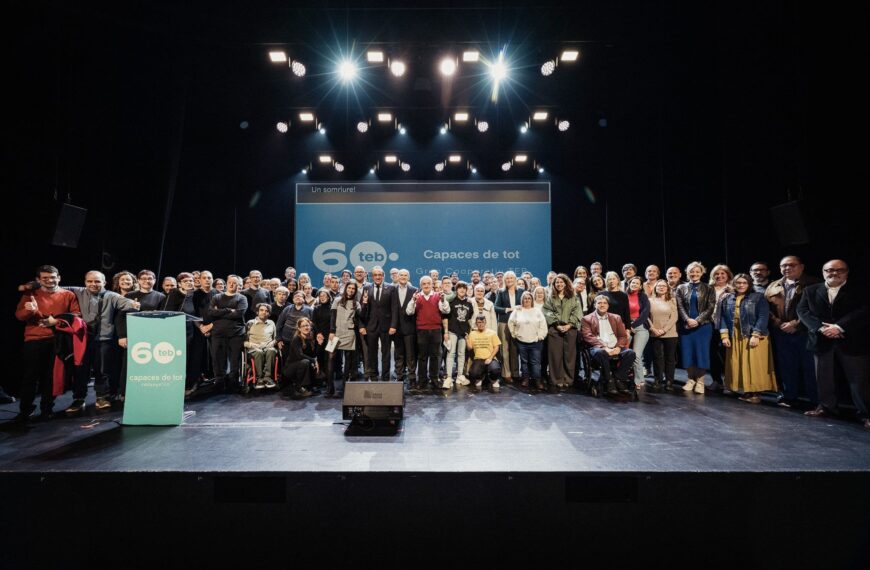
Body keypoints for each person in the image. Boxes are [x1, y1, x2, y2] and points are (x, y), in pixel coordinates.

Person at [798, 260, 870, 428]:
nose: (834, 273)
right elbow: (802, 311)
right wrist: (820, 329)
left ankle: (866, 413)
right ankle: (826, 408)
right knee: (824, 379)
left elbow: (865, 310)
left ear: (847, 272)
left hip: (853, 341)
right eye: (829, 270)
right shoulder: (810, 290)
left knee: (859, 381)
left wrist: (839, 327)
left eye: (839, 270)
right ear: (823, 272)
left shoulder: (859, 289)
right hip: (821, 340)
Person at [62, 271, 139, 413]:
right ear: (85, 282)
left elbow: (128, 304)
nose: (93, 284)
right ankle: (78, 399)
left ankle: (102, 397)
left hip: (103, 339)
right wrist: (34, 285)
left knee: (102, 370)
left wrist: (133, 304)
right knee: (80, 370)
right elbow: (56, 287)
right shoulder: (78, 291)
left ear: (104, 283)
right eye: (90, 281)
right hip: (82, 339)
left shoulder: (111, 296)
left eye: (97, 281)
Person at [13, 265, 81, 422]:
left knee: (51, 377)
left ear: (59, 278)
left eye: (52, 277)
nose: (49, 280)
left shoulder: (68, 295)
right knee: (31, 376)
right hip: (34, 339)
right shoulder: (31, 294)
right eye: (45, 278)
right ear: (38, 280)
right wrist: (29, 310)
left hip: (57, 340)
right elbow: (19, 316)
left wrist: (56, 321)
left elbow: (76, 315)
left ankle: (47, 408)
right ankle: (25, 410)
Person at [764, 256, 820, 408]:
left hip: (806, 332)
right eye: (784, 266)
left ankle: (817, 401)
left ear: (801, 267)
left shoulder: (813, 283)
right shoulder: (773, 285)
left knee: (810, 367)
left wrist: (796, 324)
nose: (787, 268)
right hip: (781, 333)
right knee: (787, 365)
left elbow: (817, 309)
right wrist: (779, 323)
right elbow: (767, 310)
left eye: (791, 265)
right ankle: (789, 396)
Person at [719, 274, 777, 403]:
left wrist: (756, 334)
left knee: (755, 365)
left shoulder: (758, 297)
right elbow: (722, 317)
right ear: (734, 284)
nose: (741, 285)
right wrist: (724, 336)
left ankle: (756, 393)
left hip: (753, 335)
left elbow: (763, 316)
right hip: (735, 335)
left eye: (744, 283)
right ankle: (747, 390)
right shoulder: (728, 298)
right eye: (738, 283)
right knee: (738, 363)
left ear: (749, 284)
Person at [581, 295, 636, 396]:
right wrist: (604, 347)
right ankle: (609, 380)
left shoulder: (616, 317)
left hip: (615, 346)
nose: (602, 305)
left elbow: (622, 336)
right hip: (598, 347)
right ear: (594, 305)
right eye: (599, 303)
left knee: (630, 353)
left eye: (604, 303)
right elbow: (588, 337)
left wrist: (618, 347)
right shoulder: (586, 319)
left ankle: (618, 378)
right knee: (601, 353)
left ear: (608, 305)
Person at [675, 262, 717, 394]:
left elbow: (711, 307)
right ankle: (690, 379)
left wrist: (697, 321)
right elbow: (679, 305)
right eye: (691, 272)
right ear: (687, 273)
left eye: (697, 272)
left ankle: (700, 381)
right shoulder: (681, 288)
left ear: (702, 272)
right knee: (687, 353)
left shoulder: (709, 288)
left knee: (701, 353)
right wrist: (687, 319)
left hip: (703, 326)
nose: (694, 274)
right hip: (685, 325)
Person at [206, 275, 248, 393]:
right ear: (226, 283)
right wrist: (228, 310)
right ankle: (219, 382)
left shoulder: (242, 298)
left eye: (234, 283)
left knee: (235, 359)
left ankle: (233, 383)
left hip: (236, 333)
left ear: (238, 285)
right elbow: (211, 313)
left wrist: (219, 311)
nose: (231, 284)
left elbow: (239, 314)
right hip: (218, 333)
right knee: (218, 358)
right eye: (229, 282)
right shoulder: (217, 297)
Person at [405, 276, 448, 390]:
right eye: (424, 284)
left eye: (428, 283)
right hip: (422, 331)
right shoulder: (417, 297)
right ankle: (422, 380)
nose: (426, 285)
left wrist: (443, 300)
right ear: (421, 286)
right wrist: (413, 300)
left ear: (432, 284)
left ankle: (434, 379)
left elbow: (446, 310)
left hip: (436, 330)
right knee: (422, 357)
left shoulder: (438, 296)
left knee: (435, 356)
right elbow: (409, 311)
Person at [543, 273, 581, 392]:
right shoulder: (551, 298)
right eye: (556, 282)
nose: (559, 284)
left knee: (569, 355)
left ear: (566, 283)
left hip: (570, 329)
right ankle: (557, 380)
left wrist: (569, 324)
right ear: (553, 284)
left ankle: (568, 379)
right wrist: (557, 324)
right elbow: (547, 311)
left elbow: (577, 312)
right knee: (555, 356)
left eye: (561, 282)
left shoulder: (573, 297)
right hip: (555, 329)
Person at [359, 266, 397, 381]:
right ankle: (373, 375)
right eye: (375, 275)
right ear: (372, 276)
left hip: (386, 327)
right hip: (371, 326)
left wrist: (393, 325)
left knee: (386, 353)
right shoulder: (366, 288)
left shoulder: (391, 288)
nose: (377, 277)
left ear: (383, 276)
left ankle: (385, 377)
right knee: (372, 353)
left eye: (380, 275)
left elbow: (394, 308)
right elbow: (362, 309)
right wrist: (362, 325)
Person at [508, 291, 548, 390]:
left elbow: (543, 325)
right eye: (525, 298)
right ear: (522, 300)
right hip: (522, 341)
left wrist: (541, 336)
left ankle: (537, 380)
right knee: (524, 362)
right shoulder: (517, 310)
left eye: (529, 298)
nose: (527, 300)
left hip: (535, 342)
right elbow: (510, 322)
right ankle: (525, 378)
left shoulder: (537, 311)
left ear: (532, 300)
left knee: (535, 362)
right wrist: (514, 334)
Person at [327, 281, 361, 396]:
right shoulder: (337, 300)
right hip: (336, 332)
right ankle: (330, 387)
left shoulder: (357, 303)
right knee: (331, 358)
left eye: (353, 289)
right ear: (345, 288)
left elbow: (361, 318)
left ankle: (344, 387)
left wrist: (364, 304)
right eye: (349, 288)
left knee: (348, 361)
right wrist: (331, 331)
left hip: (349, 333)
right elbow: (332, 317)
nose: (351, 290)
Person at [441, 281, 474, 389]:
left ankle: (460, 375)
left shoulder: (469, 303)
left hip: (463, 333)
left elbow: (469, 319)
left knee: (461, 354)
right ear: (456, 289)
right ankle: (449, 377)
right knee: (451, 354)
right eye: (460, 288)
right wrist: (445, 332)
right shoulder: (451, 301)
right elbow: (445, 317)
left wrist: (468, 333)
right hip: (452, 331)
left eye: (464, 288)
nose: (462, 290)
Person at [647, 279, 678, 391]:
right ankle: (658, 379)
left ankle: (669, 381)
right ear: (655, 288)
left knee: (670, 358)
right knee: (657, 358)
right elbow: (646, 316)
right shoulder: (649, 300)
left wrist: (664, 330)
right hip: (655, 333)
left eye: (663, 286)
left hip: (670, 333)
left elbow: (674, 317)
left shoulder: (672, 300)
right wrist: (653, 329)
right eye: (659, 286)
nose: (661, 287)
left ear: (667, 288)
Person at [707, 264, 734, 391]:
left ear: (728, 275)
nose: (719, 276)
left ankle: (730, 381)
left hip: (727, 326)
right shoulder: (708, 288)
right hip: (710, 325)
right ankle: (716, 380)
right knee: (712, 353)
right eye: (717, 274)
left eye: (723, 273)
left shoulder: (733, 289)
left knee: (727, 354)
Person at [493, 271, 523, 383]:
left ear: (515, 279)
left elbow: (526, 305)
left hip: (517, 323)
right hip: (504, 323)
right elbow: (495, 308)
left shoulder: (521, 291)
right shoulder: (501, 292)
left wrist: (520, 307)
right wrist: (508, 309)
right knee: (504, 350)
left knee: (515, 349)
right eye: (507, 278)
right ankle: (506, 374)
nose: (509, 280)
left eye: (511, 278)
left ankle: (515, 373)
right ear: (504, 280)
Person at [392, 269, 418, 387]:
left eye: (405, 275)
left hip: (410, 328)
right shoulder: (392, 290)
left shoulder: (414, 290)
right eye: (401, 275)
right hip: (396, 328)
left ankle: (412, 377)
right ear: (397, 277)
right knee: (399, 353)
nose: (403, 277)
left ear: (408, 277)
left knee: (411, 354)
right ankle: (399, 376)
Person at [282, 317, 318, 399]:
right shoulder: (296, 339)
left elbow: (314, 353)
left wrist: (319, 345)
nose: (306, 327)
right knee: (305, 362)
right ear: (299, 328)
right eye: (303, 326)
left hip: (302, 365)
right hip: (291, 368)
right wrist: (313, 360)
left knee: (308, 363)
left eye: (307, 325)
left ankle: (306, 387)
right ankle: (299, 387)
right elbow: (300, 355)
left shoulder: (311, 338)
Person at [625, 276, 650, 389]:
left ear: (640, 286)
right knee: (624, 353)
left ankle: (639, 380)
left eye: (637, 283)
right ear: (629, 284)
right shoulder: (624, 296)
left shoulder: (643, 297)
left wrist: (633, 325)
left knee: (637, 355)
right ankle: (622, 376)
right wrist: (628, 326)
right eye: (632, 282)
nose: (634, 284)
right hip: (626, 326)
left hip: (640, 326)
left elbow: (645, 314)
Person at [245, 303, 278, 389]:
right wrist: (252, 344)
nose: (264, 312)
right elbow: (243, 341)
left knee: (272, 351)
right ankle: (259, 378)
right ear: (257, 312)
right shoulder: (250, 323)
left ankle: (267, 377)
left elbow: (275, 338)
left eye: (266, 311)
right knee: (258, 352)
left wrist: (273, 342)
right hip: (254, 349)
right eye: (262, 310)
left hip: (268, 347)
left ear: (269, 313)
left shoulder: (271, 323)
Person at [466, 315, 502, 390]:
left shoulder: (492, 333)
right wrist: (466, 339)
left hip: (490, 358)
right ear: (476, 323)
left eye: (482, 322)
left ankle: (494, 380)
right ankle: (480, 378)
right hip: (478, 359)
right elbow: (469, 348)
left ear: (485, 323)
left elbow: (497, 347)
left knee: (495, 370)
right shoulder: (472, 333)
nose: (481, 324)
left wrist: (490, 358)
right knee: (473, 374)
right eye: (479, 322)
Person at [311, 288, 333, 392]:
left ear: (329, 297)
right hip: (319, 336)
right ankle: (321, 379)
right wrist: (318, 334)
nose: (323, 297)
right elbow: (314, 322)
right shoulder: (316, 308)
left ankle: (329, 381)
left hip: (332, 336)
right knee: (320, 357)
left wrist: (331, 334)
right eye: (321, 296)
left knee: (329, 359)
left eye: (325, 295)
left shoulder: (333, 308)